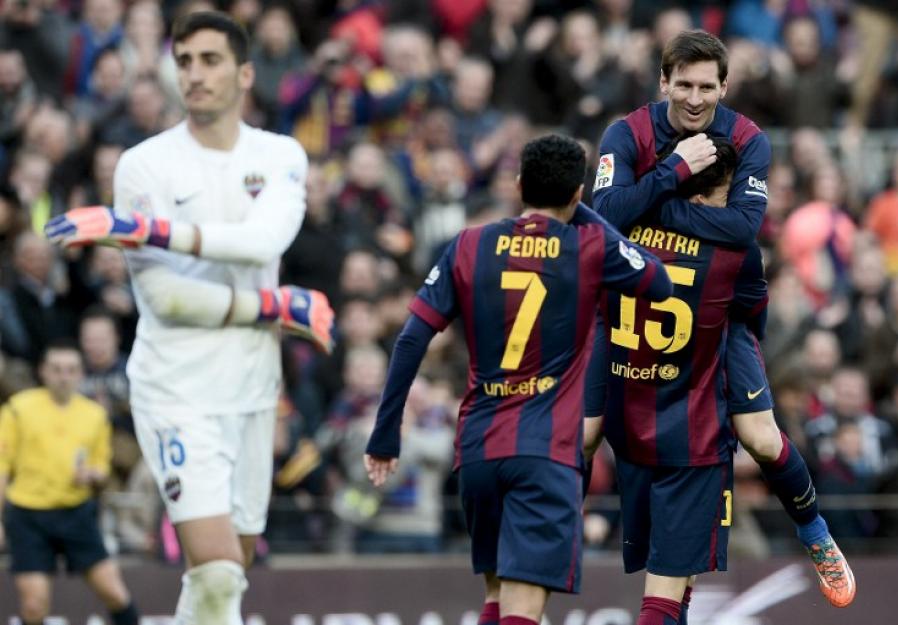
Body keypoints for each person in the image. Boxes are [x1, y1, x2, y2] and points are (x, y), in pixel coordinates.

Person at [43, 11, 335, 625]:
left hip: (253, 388)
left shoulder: (280, 155)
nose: (194, 75)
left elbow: (263, 242)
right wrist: (272, 306)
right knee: (219, 570)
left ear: (245, 72)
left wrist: (150, 230)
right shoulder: (143, 165)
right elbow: (167, 299)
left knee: (225, 578)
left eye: (210, 60)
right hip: (175, 386)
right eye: (183, 61)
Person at [586, 30, 855, 618]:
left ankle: (814, 530)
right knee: (585, 431)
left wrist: (652, 198)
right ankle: (547, 535)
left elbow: (742, 229)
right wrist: (676, 170)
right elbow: (602, 216)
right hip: (631, 315)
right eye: (682, 84)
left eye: (706, 87)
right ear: (663, 82)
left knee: (759, 437)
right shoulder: (626, 133)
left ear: (724, 87)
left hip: (719, 317)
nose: (693, 98)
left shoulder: (746, 138)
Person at [364, 134, 673, 625]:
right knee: (524, 611)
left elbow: (409, 341)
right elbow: (658, 281)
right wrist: (584, 211)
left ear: (517, 185)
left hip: (478, 452)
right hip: (543, 454)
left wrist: (385, 434)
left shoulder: (469, 244)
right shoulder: (588, 245)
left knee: (497, 597)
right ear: (576, 194)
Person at [0, 340, 139, 625]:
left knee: (114, 593)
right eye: (57, 369)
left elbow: (101, 465)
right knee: (34, 605)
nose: (64, 376)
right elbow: (2, 468)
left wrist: (93, 474)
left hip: (76, 512)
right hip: (28, 515)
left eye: (71, 370)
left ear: (80, 374)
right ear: (43, 372)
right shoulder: (17, 409)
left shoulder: (95, 415)